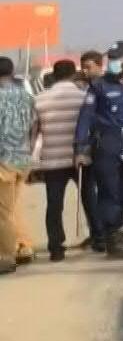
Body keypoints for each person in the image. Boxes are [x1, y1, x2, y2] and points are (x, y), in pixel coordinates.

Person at [74, 41, 123, 260]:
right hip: (107, 143)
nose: (113, 62)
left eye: (117, 58)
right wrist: (81, 149)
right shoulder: (99, 86)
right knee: (109, 191)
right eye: (110, 58)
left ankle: (115, 229)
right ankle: (113, 236)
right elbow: (85, 117)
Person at [31, 60, 89, 261]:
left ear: (54, 76)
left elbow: (34, 132)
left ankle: (56, 247)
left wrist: (30, 158)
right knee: (89, 198)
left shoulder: (39, 99)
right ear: (74, 75)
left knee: (54, 204)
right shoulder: (84, 98)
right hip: (80, 159)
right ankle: (99, 238)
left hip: (52, 160)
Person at [0, 57, 35, 275]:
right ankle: (24, 246)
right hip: (23, 158)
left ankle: (5, 256)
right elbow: (34, 126)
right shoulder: (25, 96)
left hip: (3, 160)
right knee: (13, 206)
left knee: (3, 212)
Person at [72, 51, 106, 251]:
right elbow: (84, 122)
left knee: (106, 192)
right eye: (83, 67)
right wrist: (81, 150)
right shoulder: (88, 89)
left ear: (100, 65)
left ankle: (106, 233)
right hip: (89, 148)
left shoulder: (105, 86)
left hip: (105, 147)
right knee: (88, 192)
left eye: (89, 67)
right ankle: (97, 234)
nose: (85, 71)